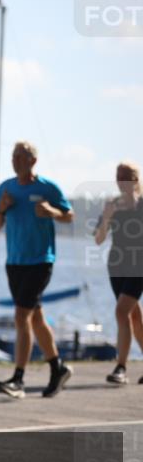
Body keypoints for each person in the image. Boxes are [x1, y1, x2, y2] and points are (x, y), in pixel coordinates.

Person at [0, 141, 76, 398]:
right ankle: (57, 368)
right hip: (15, 261)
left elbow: (69, 215)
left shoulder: (47, 187)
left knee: (21, 317)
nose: (15, 161)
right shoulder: (6, 188)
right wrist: (3, 209)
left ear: (32, 161)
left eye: (20, 157)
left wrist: (51, 211)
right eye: (13, 157)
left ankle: (18, 380)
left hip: (40, 261)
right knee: (36, 318)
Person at [94, 161, 143, 385]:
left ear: (135, 179)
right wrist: (106, 218)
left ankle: (121, 367)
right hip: (116, 266)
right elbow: (98, 239)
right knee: (133, 316)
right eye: (118, 175)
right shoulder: (112, 205)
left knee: (121, 312)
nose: (121, 179)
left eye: (126, 175)